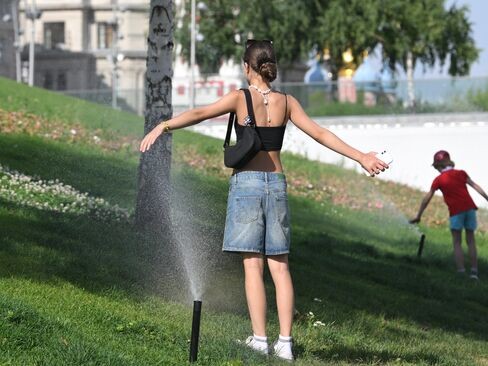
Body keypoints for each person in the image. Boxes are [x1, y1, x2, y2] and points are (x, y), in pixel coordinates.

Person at [139, 39, 387, 361]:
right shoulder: (286, 102)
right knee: (280, 268)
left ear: (247, 67)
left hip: (247, 185)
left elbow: (200, 113)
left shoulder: (241, 99)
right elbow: (320, 133)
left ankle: (260, 339)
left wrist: (164, 125)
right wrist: (360, 156)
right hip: (277, 185)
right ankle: (285, 343)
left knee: (253, 267)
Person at [410, 150, 488, 280]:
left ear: (437, 166)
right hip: (470, 208)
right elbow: (475, 186)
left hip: (456, 212)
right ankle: (474, 273)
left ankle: (461, 272)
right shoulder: (461, 173)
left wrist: (419, 215)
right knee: (471, 241)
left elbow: (426, 199)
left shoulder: (439, 180)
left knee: (457, 242)